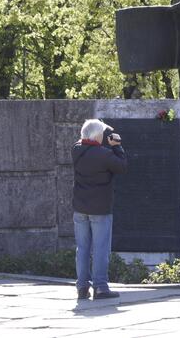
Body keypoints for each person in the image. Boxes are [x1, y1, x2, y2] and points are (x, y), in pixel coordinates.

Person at [72, 119, 127, 300]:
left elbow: (86, 142)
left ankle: (82, 287)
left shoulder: (76, 150)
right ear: (97, 135)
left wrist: (103, 132)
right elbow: (121, 166)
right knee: (101, 249)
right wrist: (116, 146)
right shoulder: (104, 154)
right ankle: (101, 288)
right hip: (100, 210)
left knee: (83, 249)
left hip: (80, 208)